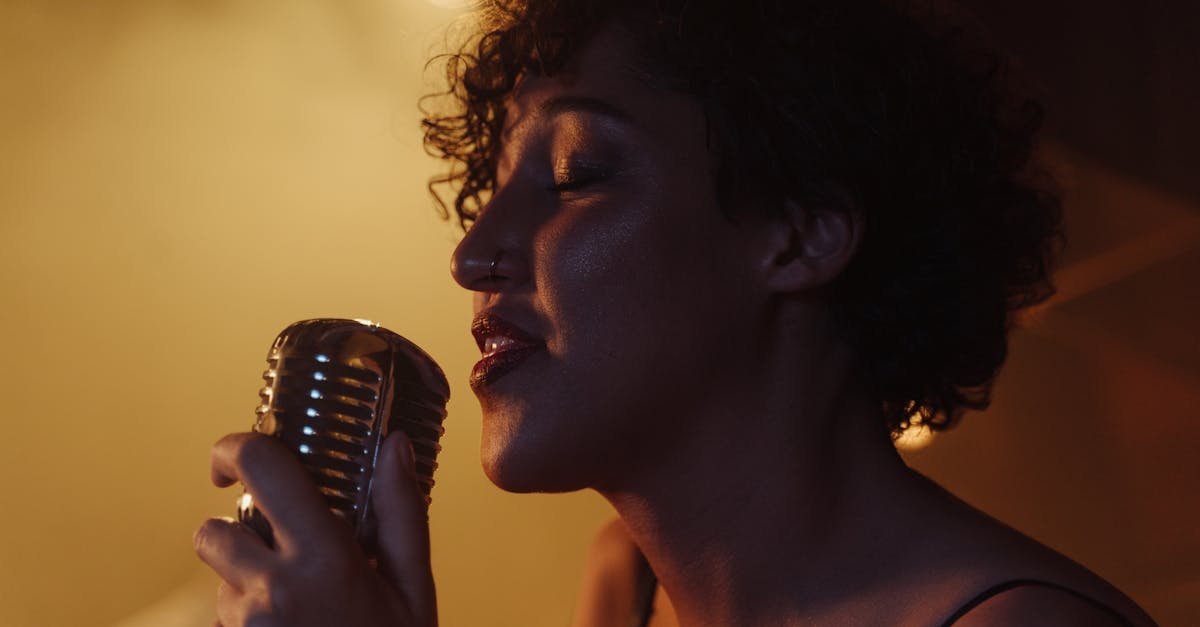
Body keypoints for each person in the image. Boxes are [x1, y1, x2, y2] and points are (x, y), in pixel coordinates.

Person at [194, 0, 1158, 625]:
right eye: (486, 194)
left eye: (575, 176)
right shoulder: (630, 593)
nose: (472, 255)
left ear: (795, 235)